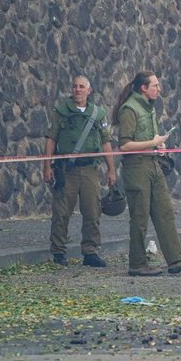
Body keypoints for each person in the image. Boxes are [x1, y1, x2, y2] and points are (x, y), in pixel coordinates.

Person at [113, 71, 181, 276]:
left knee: (165, 212)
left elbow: (148, 138)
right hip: (136, 167)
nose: (158, 89)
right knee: (140, 216)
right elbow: (124, 145)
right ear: (144, 88)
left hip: (153, 164)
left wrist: (158, 146)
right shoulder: (129, 109)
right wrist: (152, 143)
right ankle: (137, 263)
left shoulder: (149, 108)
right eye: (155, 86)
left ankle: (175, 259)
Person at [43, 75, 116, 267]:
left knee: (93, 211)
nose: (78, 89)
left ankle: (90, 252)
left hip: (90, 169)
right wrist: (46, 165)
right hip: (66, 169)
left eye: (82, 86)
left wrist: (111, 170)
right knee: (61, 212)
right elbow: (51, 139)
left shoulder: (98, 114)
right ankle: (58, 252)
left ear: (89, 90)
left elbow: (106, 142)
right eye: (75, 86)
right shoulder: (60, 112)